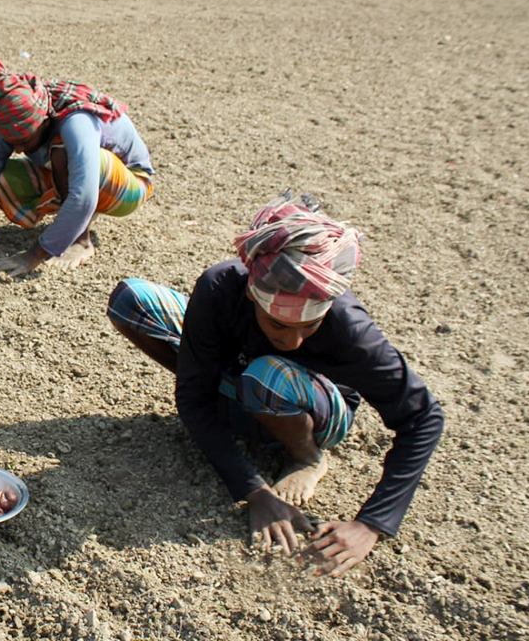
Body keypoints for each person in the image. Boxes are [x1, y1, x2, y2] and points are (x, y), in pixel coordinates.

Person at [106, 192, 444, 577]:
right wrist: (255, 491)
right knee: (131, 300)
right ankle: (235, 404)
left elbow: (423, 418)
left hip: (312, 406)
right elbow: (191, 396)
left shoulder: (351, 331)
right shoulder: (222, 287)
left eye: (310, 326)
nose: (294, 341)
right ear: (253, 296)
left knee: (267, 376)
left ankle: (306, 455)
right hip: (244, 375)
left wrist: (371, 524)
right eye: (278, 324)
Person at [0, 59, 154, 278]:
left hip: (129, 184)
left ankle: (81, 240)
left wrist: (34, 255)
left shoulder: (77, 122)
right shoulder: (12, 123)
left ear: (45, 123)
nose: (17, 149)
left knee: (61, 152)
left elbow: (83, 197)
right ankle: (70, 224)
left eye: (24, 142)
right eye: (12, 142)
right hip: (80, 178)